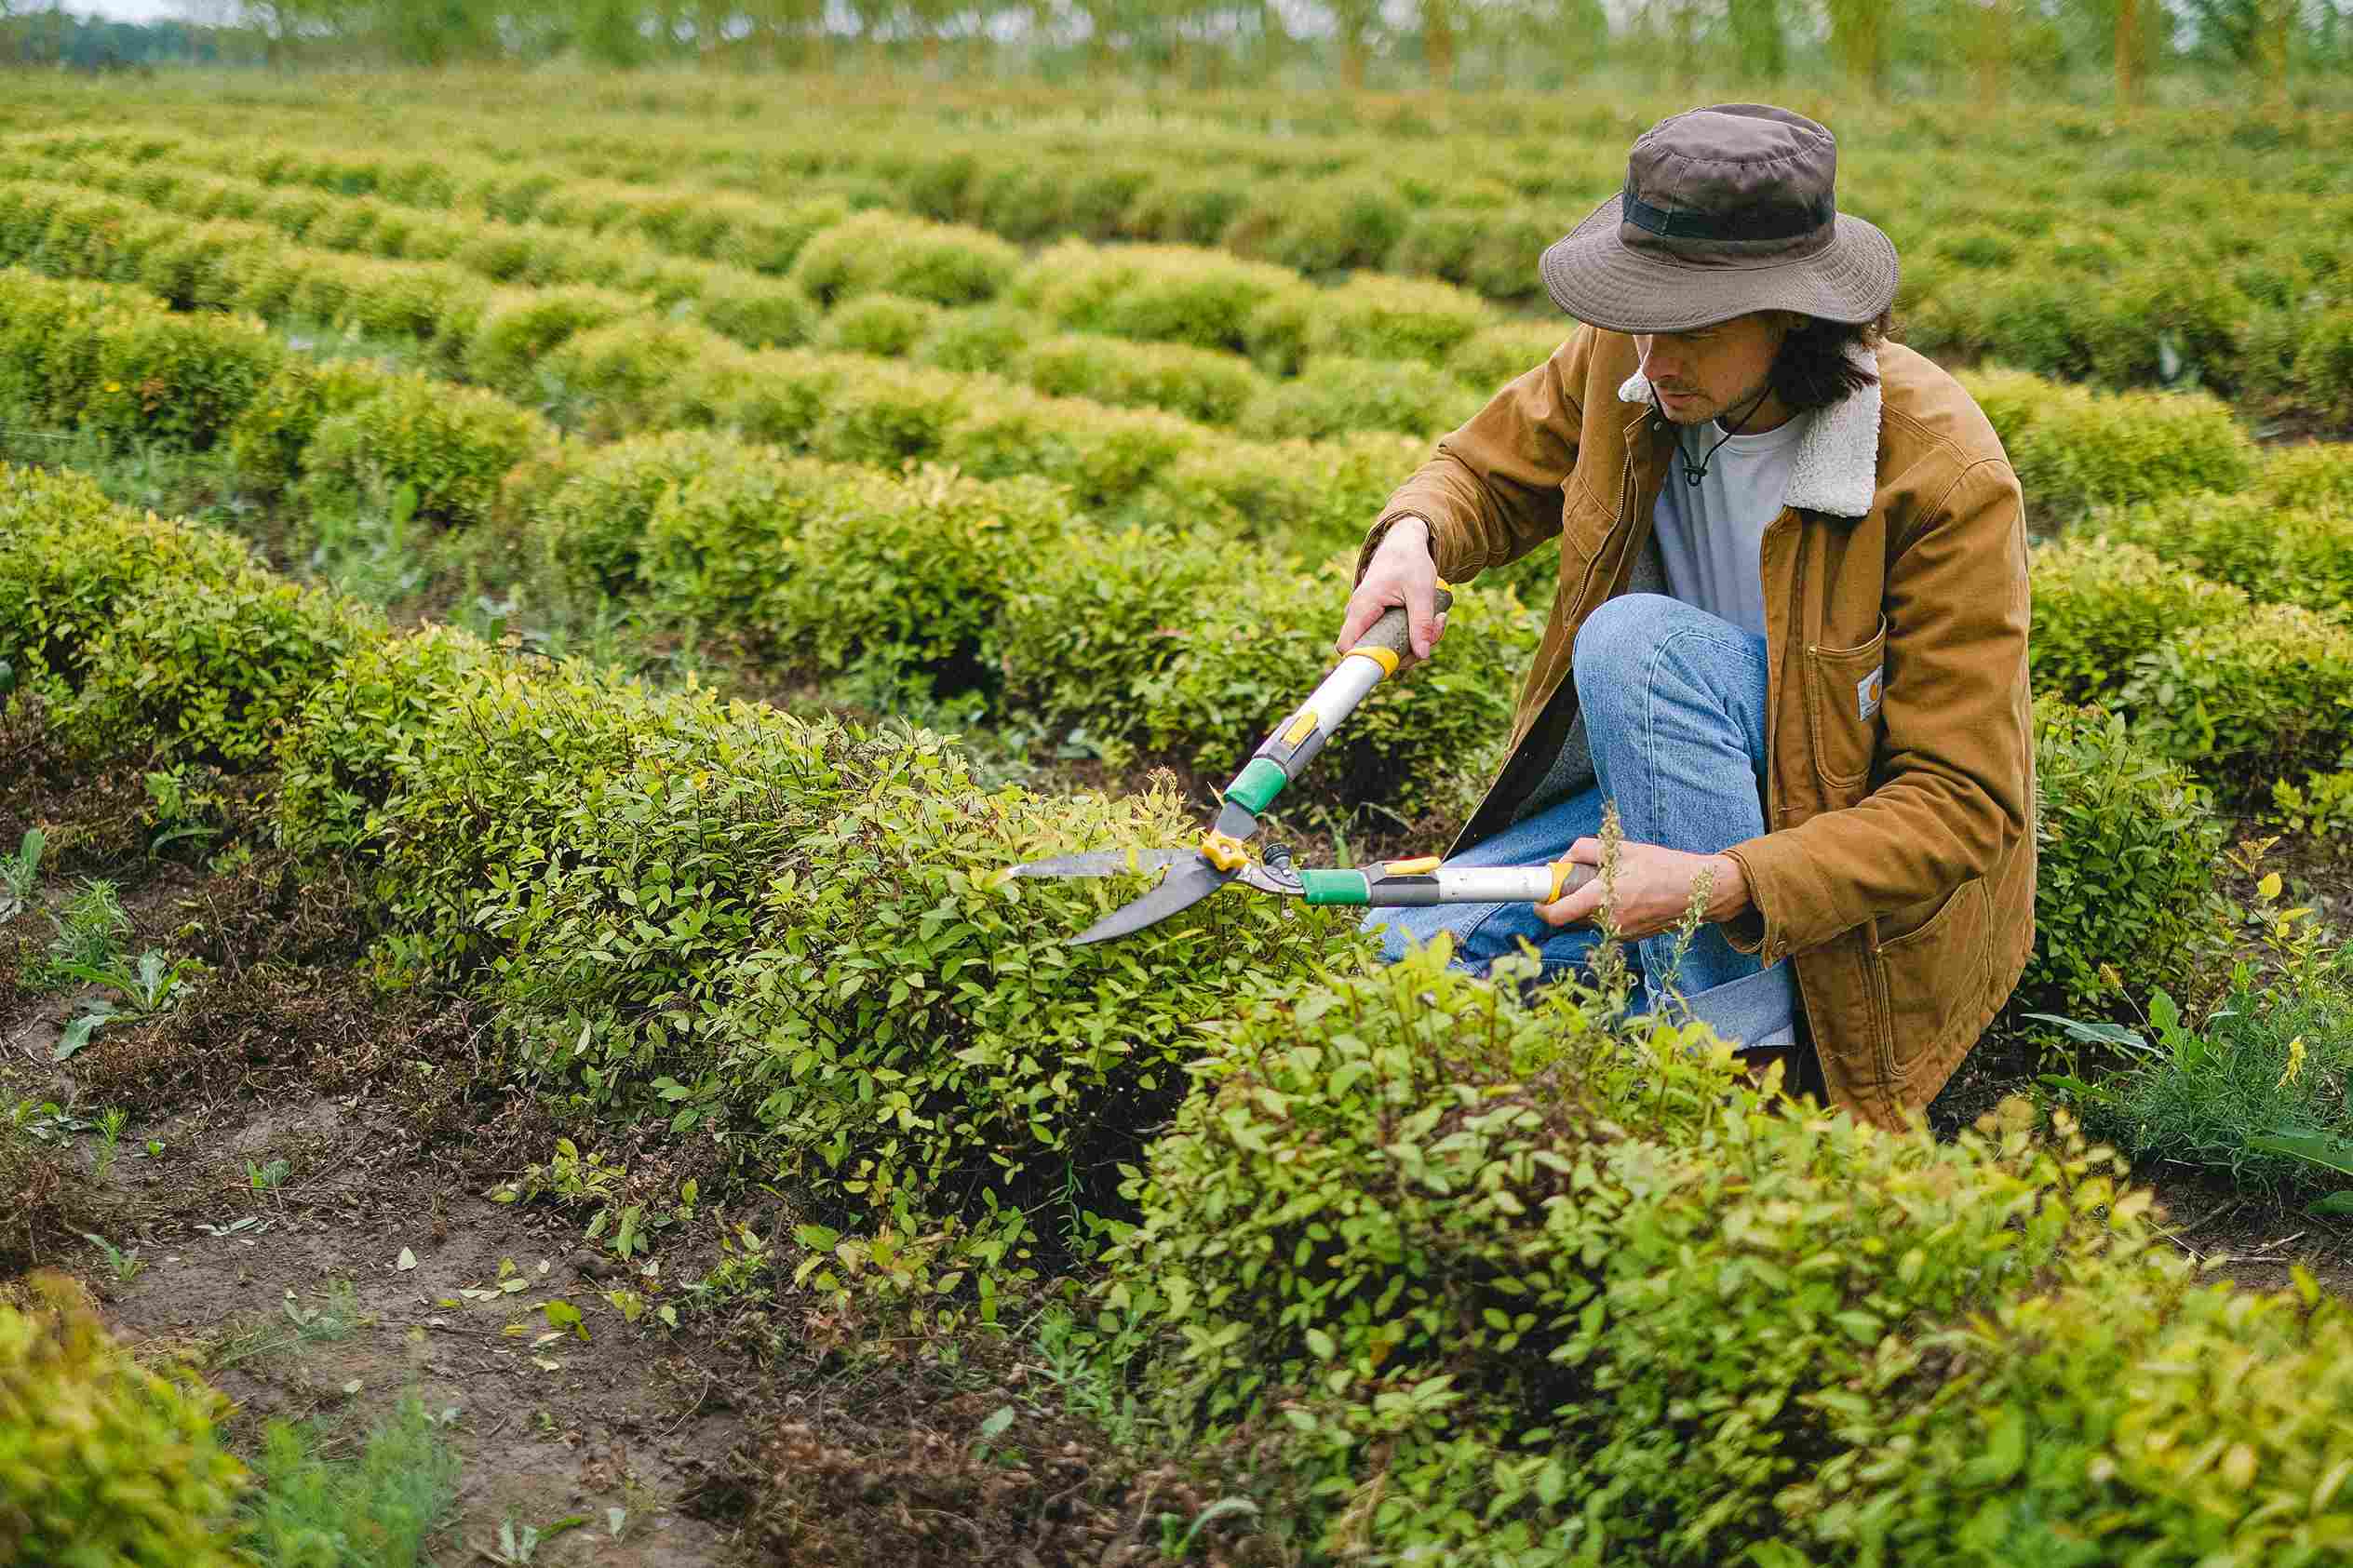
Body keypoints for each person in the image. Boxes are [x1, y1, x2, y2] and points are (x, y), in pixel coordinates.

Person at [1336, 103, 2033, 1129]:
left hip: (1829, 851)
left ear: (1793, 316)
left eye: (1691, 326)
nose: (1648, 357)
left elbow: (1958, 803)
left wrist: (1717, 879)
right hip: (1665, 787)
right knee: (1393, 951)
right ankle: (1666, 998)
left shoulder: (1939, 470)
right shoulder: (1629, 365)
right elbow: (1482, 470)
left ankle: (1735, 1063)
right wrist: (1414, 536)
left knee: (1632, 640)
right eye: (1638, 315)